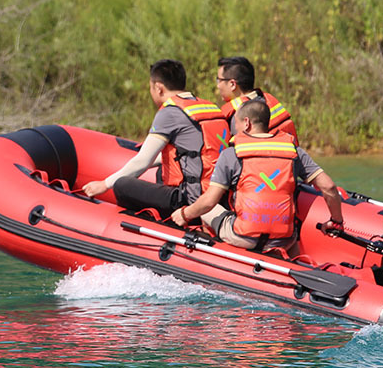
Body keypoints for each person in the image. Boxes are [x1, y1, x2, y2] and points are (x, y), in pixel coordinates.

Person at [171, 98, 344, 251]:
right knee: (290, 234)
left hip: (243, 237)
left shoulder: (231, 154)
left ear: (246, 123)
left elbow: (209, 201)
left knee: (206, 210)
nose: (234, 130)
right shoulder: (293, 151)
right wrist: (336, 221)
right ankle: (294, 265)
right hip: (283, 240)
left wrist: (184, 214)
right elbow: (328, 187)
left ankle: (214, 253)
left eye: (236, 124)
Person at [82, 59, 227, 217]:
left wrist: (104, 184)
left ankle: (135, 224)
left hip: (189, 201)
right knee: (161, 171)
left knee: (122, 185)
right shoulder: (207, 106)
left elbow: (142, 161)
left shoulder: (169, 112)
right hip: (215, 196)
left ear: (159, 88)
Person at [215, 55, 298, 143]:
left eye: (219, 80)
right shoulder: (266, 102)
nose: (218, 85)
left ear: (232, 84)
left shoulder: (237, 117)